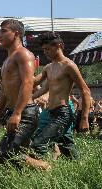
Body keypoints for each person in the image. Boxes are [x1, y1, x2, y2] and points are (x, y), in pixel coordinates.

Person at [0, 19, 44, 168]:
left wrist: (17, 113)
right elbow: (4, 91)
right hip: (14, 110)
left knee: (6, 153)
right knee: (11, 156)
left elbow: (28, 83)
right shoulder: (7, 60)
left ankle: (45, 167)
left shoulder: (24, 55)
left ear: (16, 33)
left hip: (26, 112)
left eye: (3, 31)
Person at [30, 32, 91, 164]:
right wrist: (29, 96)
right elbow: (38, 85)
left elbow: (85, 91)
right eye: (44, 49)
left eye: (47, 49)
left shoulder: (69, 65)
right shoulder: (49, 67)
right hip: (52, 112)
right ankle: (79, 168)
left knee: (38, 144)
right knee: (66, 146)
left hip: (63, 113)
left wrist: (84, 119)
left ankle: (40, 171)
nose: (45, 52)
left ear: (58, 46)